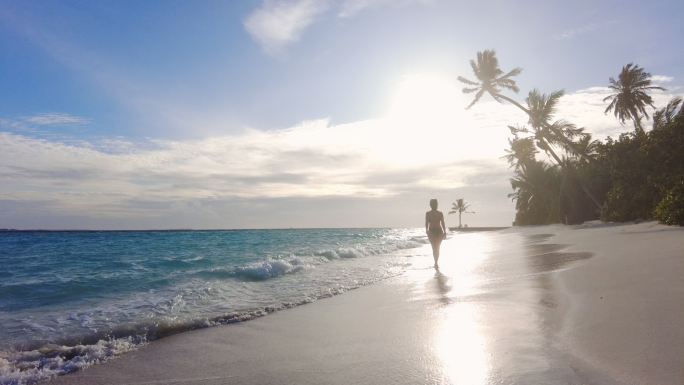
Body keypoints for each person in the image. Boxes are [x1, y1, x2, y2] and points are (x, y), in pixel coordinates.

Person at [425, 198, 447, 268]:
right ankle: (435, 262)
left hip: (439, 231)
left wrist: (444, 231)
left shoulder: (440, 213)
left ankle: (436, 262)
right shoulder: (428, 213)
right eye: (434, 204)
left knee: (437, 248)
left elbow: (443, 223)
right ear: (431, 205)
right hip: (431, 232)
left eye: (436, 204)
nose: (435, 205)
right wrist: (427, 231)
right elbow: (426, 223)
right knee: (434, 248)